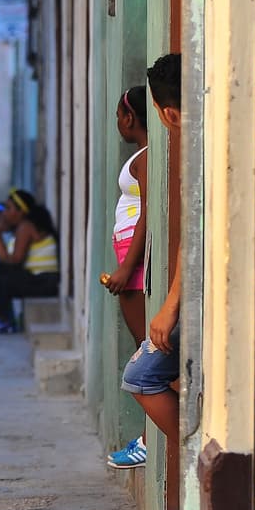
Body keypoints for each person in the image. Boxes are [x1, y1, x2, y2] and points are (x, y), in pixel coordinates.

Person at [118, 54, 184, 510]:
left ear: (166, 113)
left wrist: (168, 304)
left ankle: (188, 454)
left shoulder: (186, 149)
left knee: (144, 371)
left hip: (176, 294)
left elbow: (196, 237)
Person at [105, 86, 152, 471]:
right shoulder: (143, 156)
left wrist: (125, 268)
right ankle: (148, 438)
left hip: (133, 267)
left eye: (119, 116)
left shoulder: (146, 158)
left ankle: (149, 440)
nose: (118, 123)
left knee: (145, 352)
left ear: (129, 117)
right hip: (129, 263)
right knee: (144, 351)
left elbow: (148, 214)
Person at [0, 189, 60, 335]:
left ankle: (4, 320)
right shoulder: (24, 227)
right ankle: (2, 319)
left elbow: (14, 262)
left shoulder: (25, 227)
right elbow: (4, 260)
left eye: (8, 208)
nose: (4, 213)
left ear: (21, 212)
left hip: (44, 282)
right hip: (41, 281)